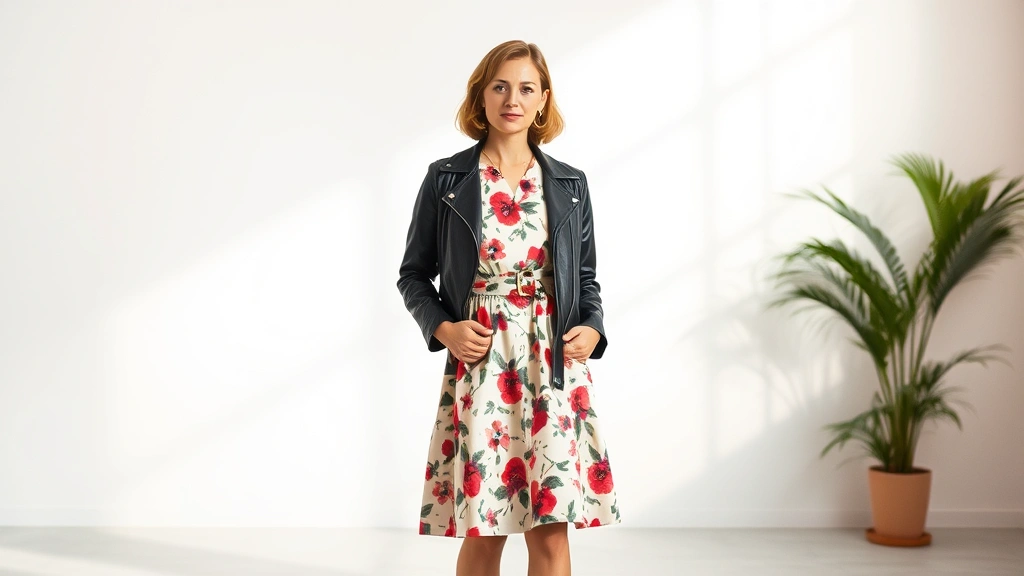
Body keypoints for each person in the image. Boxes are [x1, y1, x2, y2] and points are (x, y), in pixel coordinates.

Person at [397, 40, 620, 576]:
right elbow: (413, 275)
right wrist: (444, 328)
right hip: (482, 364)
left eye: (525, 88)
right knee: (484, 529)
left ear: (543, 100)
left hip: (554, 365)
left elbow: (585, 280)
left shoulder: (569, 184)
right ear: (482, 95)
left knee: (550, 532)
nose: (512, 99)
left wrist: (592, 327)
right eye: (500, 86)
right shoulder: (447, 179)